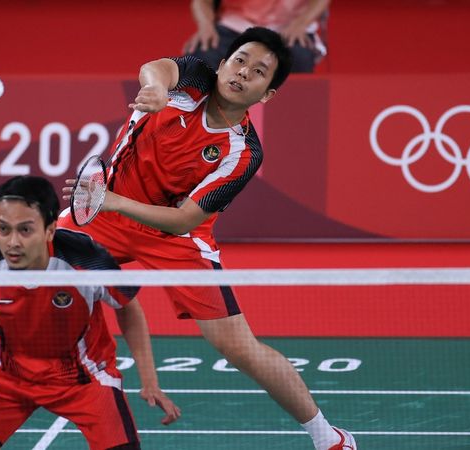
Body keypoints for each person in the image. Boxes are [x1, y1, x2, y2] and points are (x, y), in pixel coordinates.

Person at [59, 27, 355, 450]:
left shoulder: (244, 153)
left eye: (258, 72)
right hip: (103, 209)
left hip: (171, 236)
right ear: (221, 64)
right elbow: (155, 69)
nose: (242, 73)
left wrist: (112, 203)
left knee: (239, 348)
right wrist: (155, 89)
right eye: (239, 60)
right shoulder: (193, 78)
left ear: (267, 94)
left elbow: (182, 221)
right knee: (12, 279)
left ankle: (330, 438)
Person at [0, 175, 179, 449]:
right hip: (5, 377)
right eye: (3, 229)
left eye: (25, 230)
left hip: (82, 379)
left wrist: (149, 380)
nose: (12, 242)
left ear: (50, 230)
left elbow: (128, 307)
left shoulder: (84, 257)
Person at [183, 0, 330, 73]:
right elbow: (203, 1)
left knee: (299, 57)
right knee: (202, 55)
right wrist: (206, 26)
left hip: (287, 27)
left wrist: (301, 23)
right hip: (234, 25)